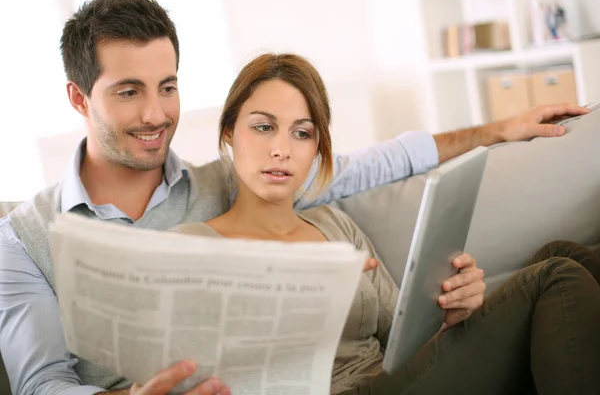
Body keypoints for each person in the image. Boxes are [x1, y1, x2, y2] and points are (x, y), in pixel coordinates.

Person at [0, 0, 590, 394]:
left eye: (168, 87)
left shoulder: (233, 180)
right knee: (558, 277)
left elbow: (368, 166)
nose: (156, 113)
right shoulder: (23, 239)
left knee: (569, 253)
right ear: (79, 99)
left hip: (376, 370)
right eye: (128, 91)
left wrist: (497, 129)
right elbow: (39, 384)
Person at [172, 53, 600, 395]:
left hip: (393, 378)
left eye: (301, 133)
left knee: (562, 253)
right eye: (263, 127)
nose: (281, 149)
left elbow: (404, 340)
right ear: (230, 132)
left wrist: (454, 314)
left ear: (317, 148)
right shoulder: (192, 246)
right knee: (555, 278)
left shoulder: (334, 225)